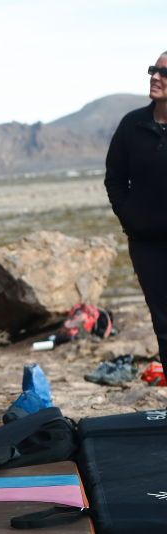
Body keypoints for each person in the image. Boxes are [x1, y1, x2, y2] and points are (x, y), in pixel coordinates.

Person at [104, 51, 167, 370]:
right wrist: (130, 217)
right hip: (147, 246)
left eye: (164, 72)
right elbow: (114, 177)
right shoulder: (132, 125)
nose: (156, 76)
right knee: (164, 325)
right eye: (153, 70)